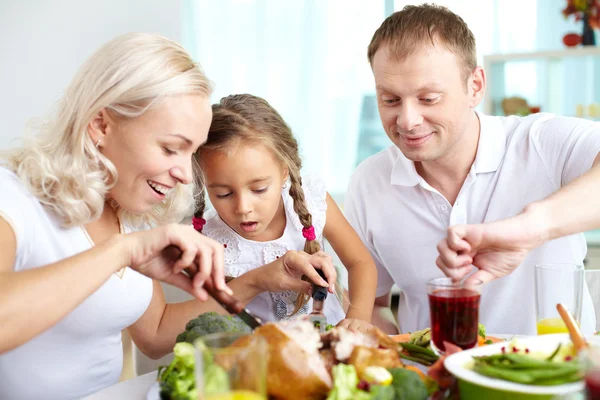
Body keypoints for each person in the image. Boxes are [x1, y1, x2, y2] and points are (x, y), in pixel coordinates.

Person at [0, 34, 338, 400]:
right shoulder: (13, 195)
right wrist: (120, 251)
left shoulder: (130, 212)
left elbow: (157, 333)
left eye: (189, 153)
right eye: (170, 148)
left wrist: (257, 281)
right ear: (101, 125)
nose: (186, 176)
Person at [345, 4, 599, 336]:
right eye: (391, 100)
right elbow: (373, 306)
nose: (407, 121)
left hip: (557, 382)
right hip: (434, 384)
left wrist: (529, 229)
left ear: (475, 86)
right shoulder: (369, 182)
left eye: (429, 98)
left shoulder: (539, 142)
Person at [192, 94, 378, 332]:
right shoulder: (204, 240)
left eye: (259, 189)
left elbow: (361, 262)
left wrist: (358, 318)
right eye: (224, 194)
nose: (243, 208)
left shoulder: (312, 202)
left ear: (284, 171)